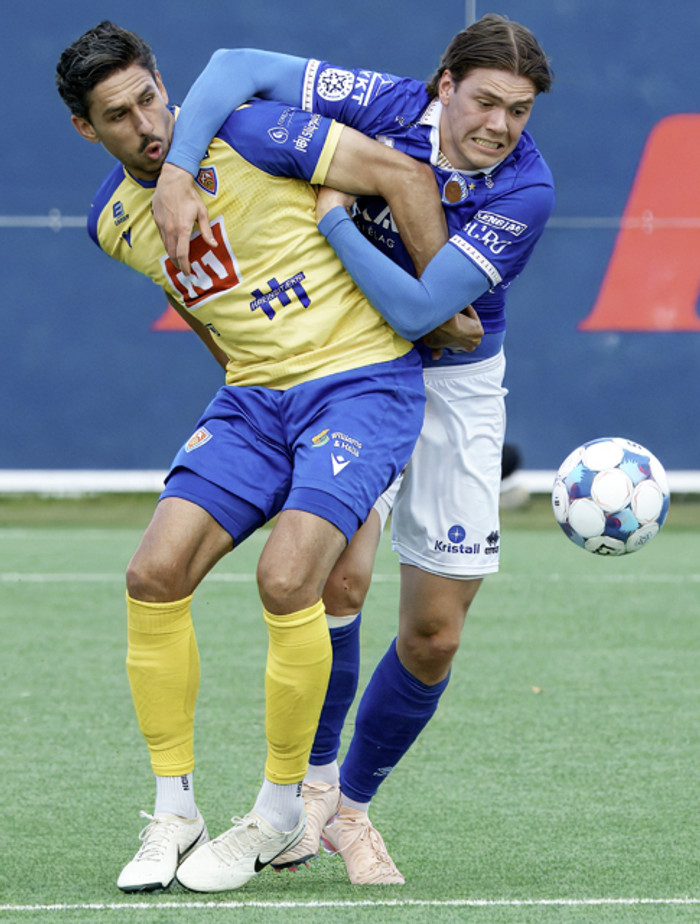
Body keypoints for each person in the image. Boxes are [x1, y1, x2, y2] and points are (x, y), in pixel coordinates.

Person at [55, 21, 484, 895]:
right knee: (152, 574)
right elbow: (201, 303)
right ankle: (175, 812)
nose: (147, 125)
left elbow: (404, 174)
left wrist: (438, 303)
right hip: (254, 400)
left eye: (150, 98)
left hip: (360, 383)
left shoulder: (251, 131)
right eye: (118, 116)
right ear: (85, 130)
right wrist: (246, 385)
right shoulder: (110, 222)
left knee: (289, 580)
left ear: (164, 84)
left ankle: (282, 808)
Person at [150, 13, 555, 885]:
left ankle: (349, 807)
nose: (500, 126)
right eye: (485, 101)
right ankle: (305, 794)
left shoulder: (526, 190)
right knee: (332, 581)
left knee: (435, 635)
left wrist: (335, 219)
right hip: (353, 367)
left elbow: (424, 313)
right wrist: (178, 170)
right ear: (445, 84)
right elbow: (234, 67)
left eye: (519, 111)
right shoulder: (386, 104)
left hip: (458, 385)